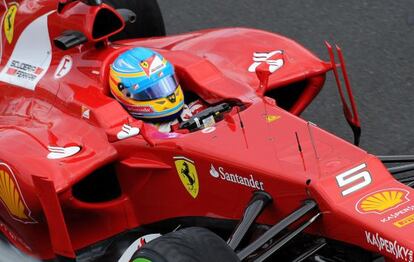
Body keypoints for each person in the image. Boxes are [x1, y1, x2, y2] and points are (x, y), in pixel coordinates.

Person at [109, 47, 206, 133]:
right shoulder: (136, 131)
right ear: (125, 94)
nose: (169, 97)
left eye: (167, 83)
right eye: (149, 92)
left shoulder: (195, 103)